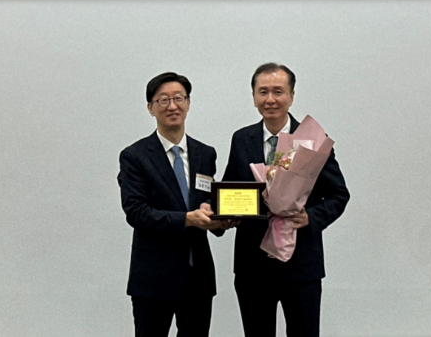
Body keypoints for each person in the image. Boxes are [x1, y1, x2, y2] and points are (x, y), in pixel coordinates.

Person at [222, 63, 350, 337]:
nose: (270, 99)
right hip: (252, 265)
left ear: (291, 96)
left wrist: (310, 217)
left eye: (278, 91)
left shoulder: (313, 140)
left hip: (301, 264)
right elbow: (232, 189)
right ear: (253, 96)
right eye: (263, 92)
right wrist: (224, 215)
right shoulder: (241, 139)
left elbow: (339, 194)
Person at [118, 72, 226, 337]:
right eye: (163, 100)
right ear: (150, 108)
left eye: (179, 98)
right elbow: (137, 213)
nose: (172, 106)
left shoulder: (205, 153)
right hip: (153, 278)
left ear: (188, 103)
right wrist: (187, 219)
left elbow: (207, 199)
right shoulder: (135, 156)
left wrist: (220, 219)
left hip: (198, 277)